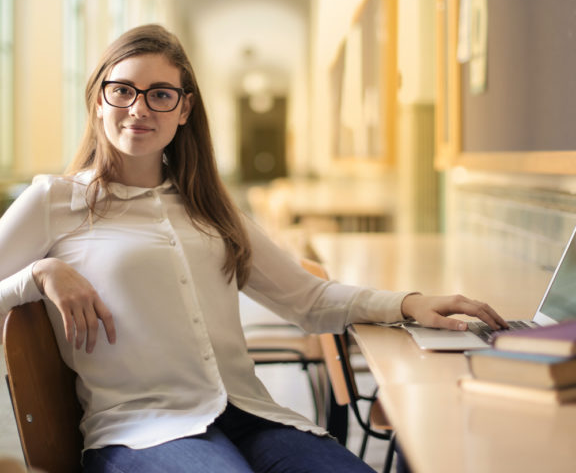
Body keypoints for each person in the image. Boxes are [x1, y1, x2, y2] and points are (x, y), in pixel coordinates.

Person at [0, 25, 508, 473]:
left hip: (250, 413)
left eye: (160, 94)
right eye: (122, 91)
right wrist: (39, 274)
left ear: (185, 109)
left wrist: (407, 304)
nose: (138, 108)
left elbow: (308, 301)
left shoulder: (209, 206)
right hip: (142, 429)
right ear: (97, 100)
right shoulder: (55, 200)